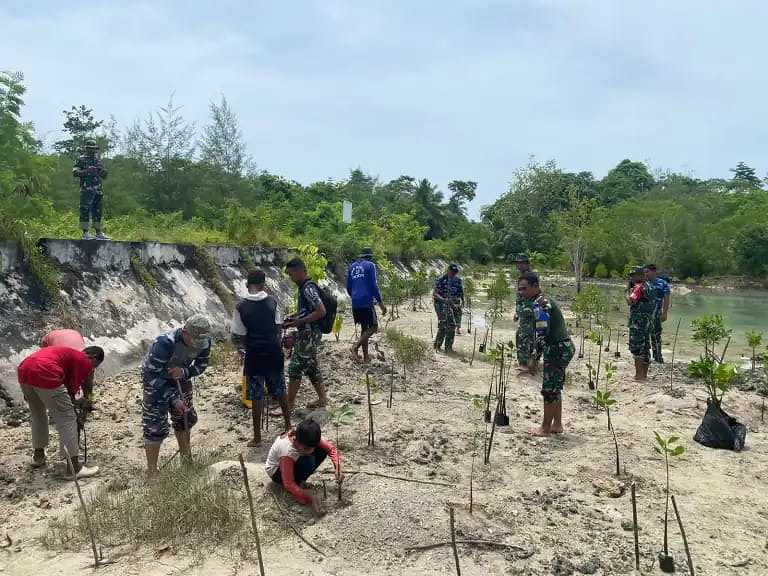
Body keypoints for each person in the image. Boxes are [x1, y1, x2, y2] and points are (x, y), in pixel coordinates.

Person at [17, 345, 104, 476]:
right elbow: (80, 388)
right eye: (95, 366)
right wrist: (84, 404)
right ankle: (73, 468)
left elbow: (79, 388)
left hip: (24, 370)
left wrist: (87, 400)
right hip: (45, 371)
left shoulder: (70, 356)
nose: (92, 370)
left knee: (38, 414)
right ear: (93, 358)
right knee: (68, 418)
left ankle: (39, 456)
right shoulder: (84, 361)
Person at [142, 315, 211, 480]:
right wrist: (173, 398)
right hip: (156, 383)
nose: (197, 345)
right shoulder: (165, 343)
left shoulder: (205, 341)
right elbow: (151, 376)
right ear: (185, 331)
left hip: (181, 379)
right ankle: (152, 471)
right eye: (193, 340)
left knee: (184, 418)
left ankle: (187, 461)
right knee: (154, 426)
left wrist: (185, 372)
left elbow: (201, 365)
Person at [231, 269, 290, 446]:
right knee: (279, 389)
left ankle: (257, 437)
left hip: (254, 355)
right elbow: (279, 327)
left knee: (256, 395)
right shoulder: (272, 302)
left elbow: (240, 334)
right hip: (273, 352)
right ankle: (288, 426)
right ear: (263, 284)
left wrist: (250, 344)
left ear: (247, 285)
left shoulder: (240, 307)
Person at [517, 272, 575, 437]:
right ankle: (557, 424)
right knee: (555, 388)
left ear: (536, 286)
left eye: (524, 288)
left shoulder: (541, 304)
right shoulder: (539, 301)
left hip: (557, 349)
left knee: (549, 390)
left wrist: (534, 360)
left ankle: (545, 428)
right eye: (519, 289)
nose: (521, 292)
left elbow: (542, 334)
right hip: (562, 347)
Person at [265, 418, 341, 513]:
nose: (312, 450)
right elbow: (288, 484)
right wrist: (310, 497)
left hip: (293, 460)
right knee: (309, 461)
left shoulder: (305, 436)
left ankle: (299, 482)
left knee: (321, 451)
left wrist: (337, 468)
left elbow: (331, 449)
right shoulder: (287, 452)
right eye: (308, 448)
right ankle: (297, 486)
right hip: (276, 471)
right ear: (300, 444)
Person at [282, 258, 328, 412]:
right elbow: (309, 310)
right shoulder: (304, 288)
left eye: (291, 274)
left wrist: (298, 322)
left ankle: (289, 404)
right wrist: (295, 317)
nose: (291, 278)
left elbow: (321, 311)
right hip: (310, 333)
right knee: (311, 367)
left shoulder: (307, 289)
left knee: (295, 368)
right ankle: (322, 399)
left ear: (299, 271)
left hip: (309, 335)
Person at [346, 248, 387, 362]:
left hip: (355, 301)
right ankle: (355, 346)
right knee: (373, 327)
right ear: (369, 257)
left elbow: (348, 287)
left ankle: (366, 357)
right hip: (366, 301)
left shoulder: (351, 267)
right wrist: (381, 305)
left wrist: (355, 296)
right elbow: (374, 286)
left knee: (364, 329)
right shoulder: (370, 265)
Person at [72, 139, 108, 240]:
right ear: (87, 149)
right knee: (85, 210)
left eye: (94, 149)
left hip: (98, 189)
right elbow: (75, 172)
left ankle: (98, 232)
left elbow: (104, 175)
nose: (92, 151)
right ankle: (85, 233)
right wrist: (86, 171)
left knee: (98, 211)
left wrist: (101, 171)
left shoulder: (97, 160)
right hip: (86, 189)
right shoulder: (81, 159)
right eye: (90, 149)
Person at [627, 267, 655, 381]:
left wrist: (627, 292)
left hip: (638, 322)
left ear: (641, 276)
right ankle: (644, 375)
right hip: (648, 321)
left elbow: (631, 300)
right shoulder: (650, 286)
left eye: (633, 275)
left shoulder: (638, 287)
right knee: (645, 347)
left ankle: (639, 376)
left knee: (637, 348)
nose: (632, 278)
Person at [512, 254, 536, 371]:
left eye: (521, 263)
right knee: (522, 336)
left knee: (524, 337)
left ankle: (525, 364)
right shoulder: (522, 276)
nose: (519, 265)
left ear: (527, 264)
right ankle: (526, 363)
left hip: (529, 311)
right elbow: (520, 297)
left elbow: (535, 294)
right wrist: (517, 311)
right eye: (517, 263)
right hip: (523, 311)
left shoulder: (531, 276)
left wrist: (528, 309)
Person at [433, 264, 464, 353]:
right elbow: (435, 294)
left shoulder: (458, 280)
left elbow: (461, 293)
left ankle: (445, 346)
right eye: (452, 272)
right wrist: (444, 300)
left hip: (453, 303)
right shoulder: (441, 279)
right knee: (447, 323)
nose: (453, 274)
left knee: (452, 325)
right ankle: (442, 347)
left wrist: (462, 302)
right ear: (448, 271)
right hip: (441, 303)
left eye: (455, 273)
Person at [644, 264, 671, 363]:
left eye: (647, 271)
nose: (645, 274)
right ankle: (646, 356)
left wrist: (665, 313)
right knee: (645, 335)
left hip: (656, 313)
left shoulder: (662, 283)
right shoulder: (644, 283)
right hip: (644, 314)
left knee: (656, 335)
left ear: (654, 271)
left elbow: (666, 299)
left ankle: (658, 357)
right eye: (645, 272)